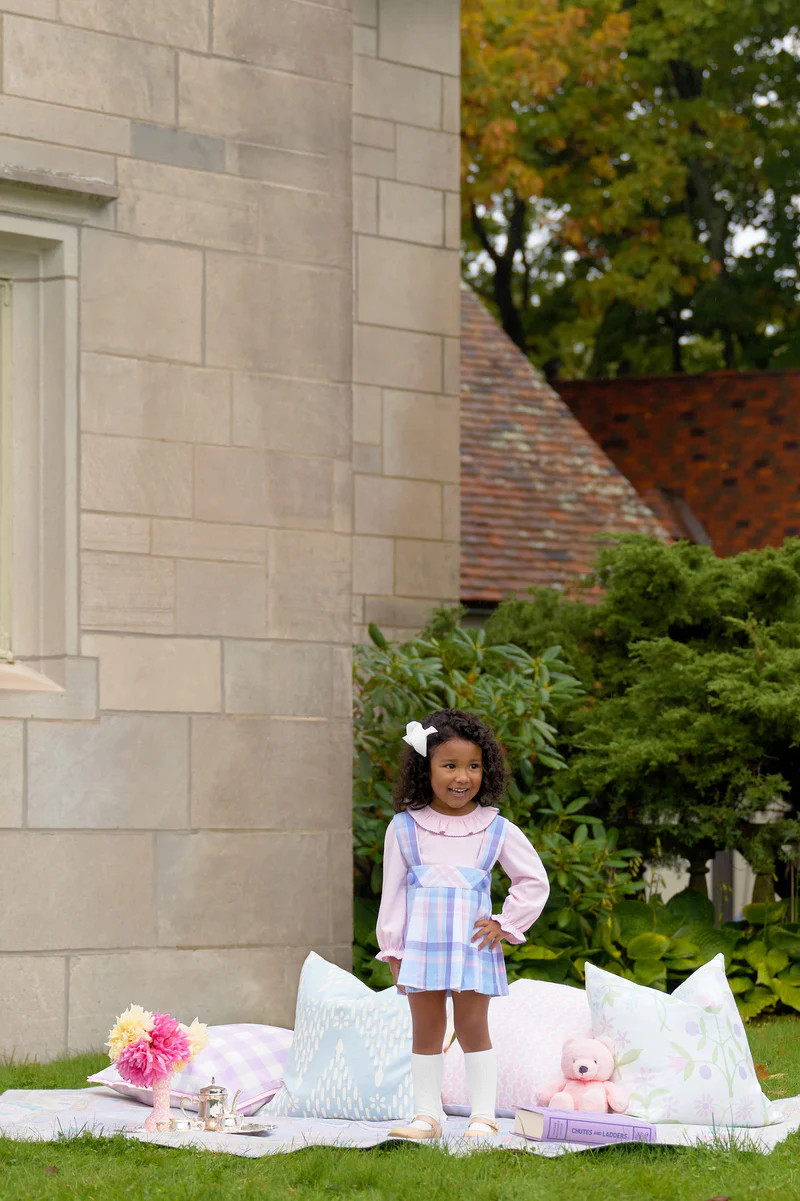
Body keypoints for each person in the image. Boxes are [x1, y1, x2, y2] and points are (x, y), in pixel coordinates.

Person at [376, 707, 550, 1140]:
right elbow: (392, 892)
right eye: (449, 765)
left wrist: (504, 923)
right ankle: (427, 1116)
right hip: (421, 946)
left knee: (474, 1027)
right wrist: (393, 947)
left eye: (473, 766)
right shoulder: (404, 828)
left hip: (474, 946)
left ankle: (483, 1117)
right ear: (426, 768)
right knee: (426, 1029)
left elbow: (533, 880)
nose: (462, 777)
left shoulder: (495, 828)